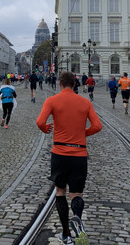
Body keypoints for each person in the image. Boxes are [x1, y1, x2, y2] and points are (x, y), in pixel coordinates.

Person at [36, 71, 102, 245]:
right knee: (77, 193)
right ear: (74, 84)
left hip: (59, 153)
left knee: (60, 192)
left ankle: (65, 233)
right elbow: (97, 126)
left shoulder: (52, 101)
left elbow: (40, 122)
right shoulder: (85, 102)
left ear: (60, 84)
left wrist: (46, 129)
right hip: (79, 154)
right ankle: (77, 220)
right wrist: (83, 133)